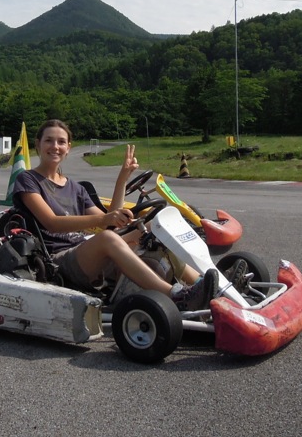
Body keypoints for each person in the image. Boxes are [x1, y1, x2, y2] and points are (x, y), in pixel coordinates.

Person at [12, 119, 218, 311]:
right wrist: (105, 219)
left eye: (61, 142)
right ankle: (176, 296)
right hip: (57, 260)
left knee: (155, 228)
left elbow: (110, 221)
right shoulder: (28, 179)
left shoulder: (75, 188)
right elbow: (52, 222)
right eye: (49, 140)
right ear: (38, 144)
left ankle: (206, 286)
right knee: (108, 238)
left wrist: (122, 178)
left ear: (68, 148)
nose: (55, 146)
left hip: (84, 250)